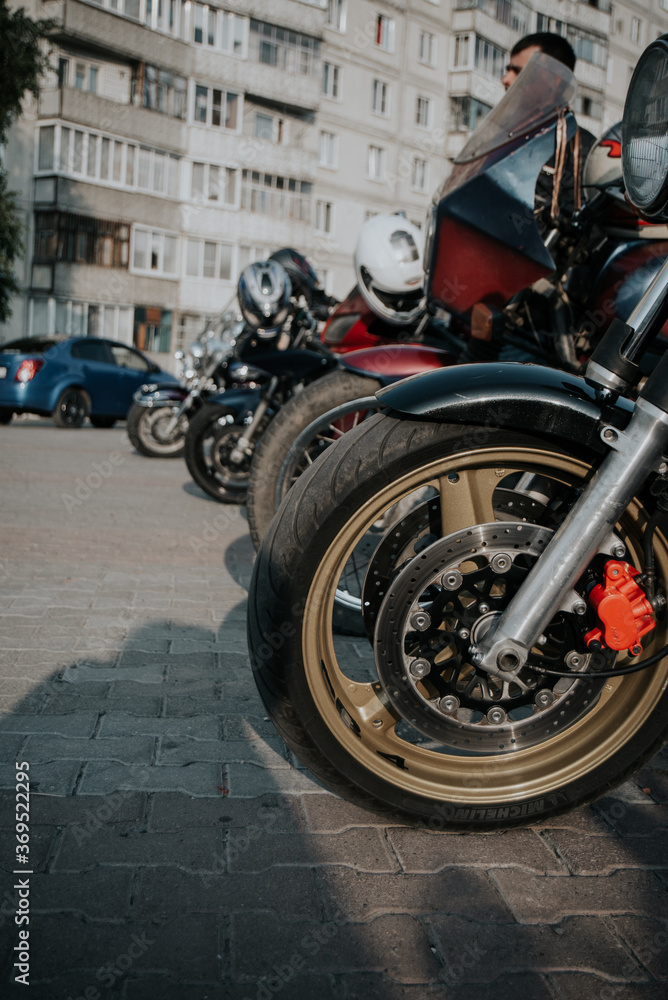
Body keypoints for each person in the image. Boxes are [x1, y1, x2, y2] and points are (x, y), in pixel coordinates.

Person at [457, 31, 595, 365]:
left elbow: (571, 241)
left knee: (480, 403)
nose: (505, 79)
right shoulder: (513, 137)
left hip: (529, 325)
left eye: (517, 71)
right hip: (481, 304)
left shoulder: (577, 148)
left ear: (550, 80)